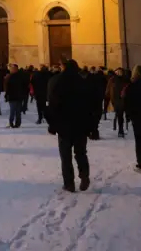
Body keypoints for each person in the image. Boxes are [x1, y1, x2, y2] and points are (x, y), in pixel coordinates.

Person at [46, 59, 94, 192]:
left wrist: (52, 125)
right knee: (81, 153)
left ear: (63, 67)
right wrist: (91, 126)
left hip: (63, 125)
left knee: (65, 156)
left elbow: (52, 105)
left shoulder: (55, 81)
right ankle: (84, 175)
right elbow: (91, 106)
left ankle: (69, 183)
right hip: (81, 124)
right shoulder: (83, 82)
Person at [4, 63, 27, 128]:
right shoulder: (10, 76)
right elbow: (6, 87)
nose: (12, 69)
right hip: (12, 97)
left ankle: (17, 123)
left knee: (17, 111)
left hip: (18, 96)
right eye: (11, 68)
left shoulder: (19, 76)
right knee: (13, 111)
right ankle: (11, 122)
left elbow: (24, 86)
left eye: (13, 68)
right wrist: (7, 95)